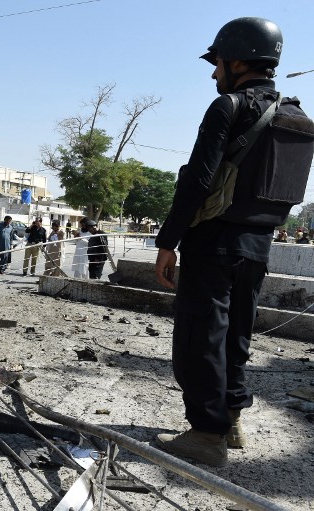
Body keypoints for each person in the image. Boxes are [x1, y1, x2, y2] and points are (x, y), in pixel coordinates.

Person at [153, 17, 314, 468]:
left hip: (214, 242)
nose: (213, 72)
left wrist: (169, 242)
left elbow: (198, 181)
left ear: (239, 61)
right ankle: (230, 419)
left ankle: (206, 436)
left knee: (200, 335)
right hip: (258, 245)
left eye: (218, 62)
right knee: (237, 334)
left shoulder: (228, 106)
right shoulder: (297, 117)